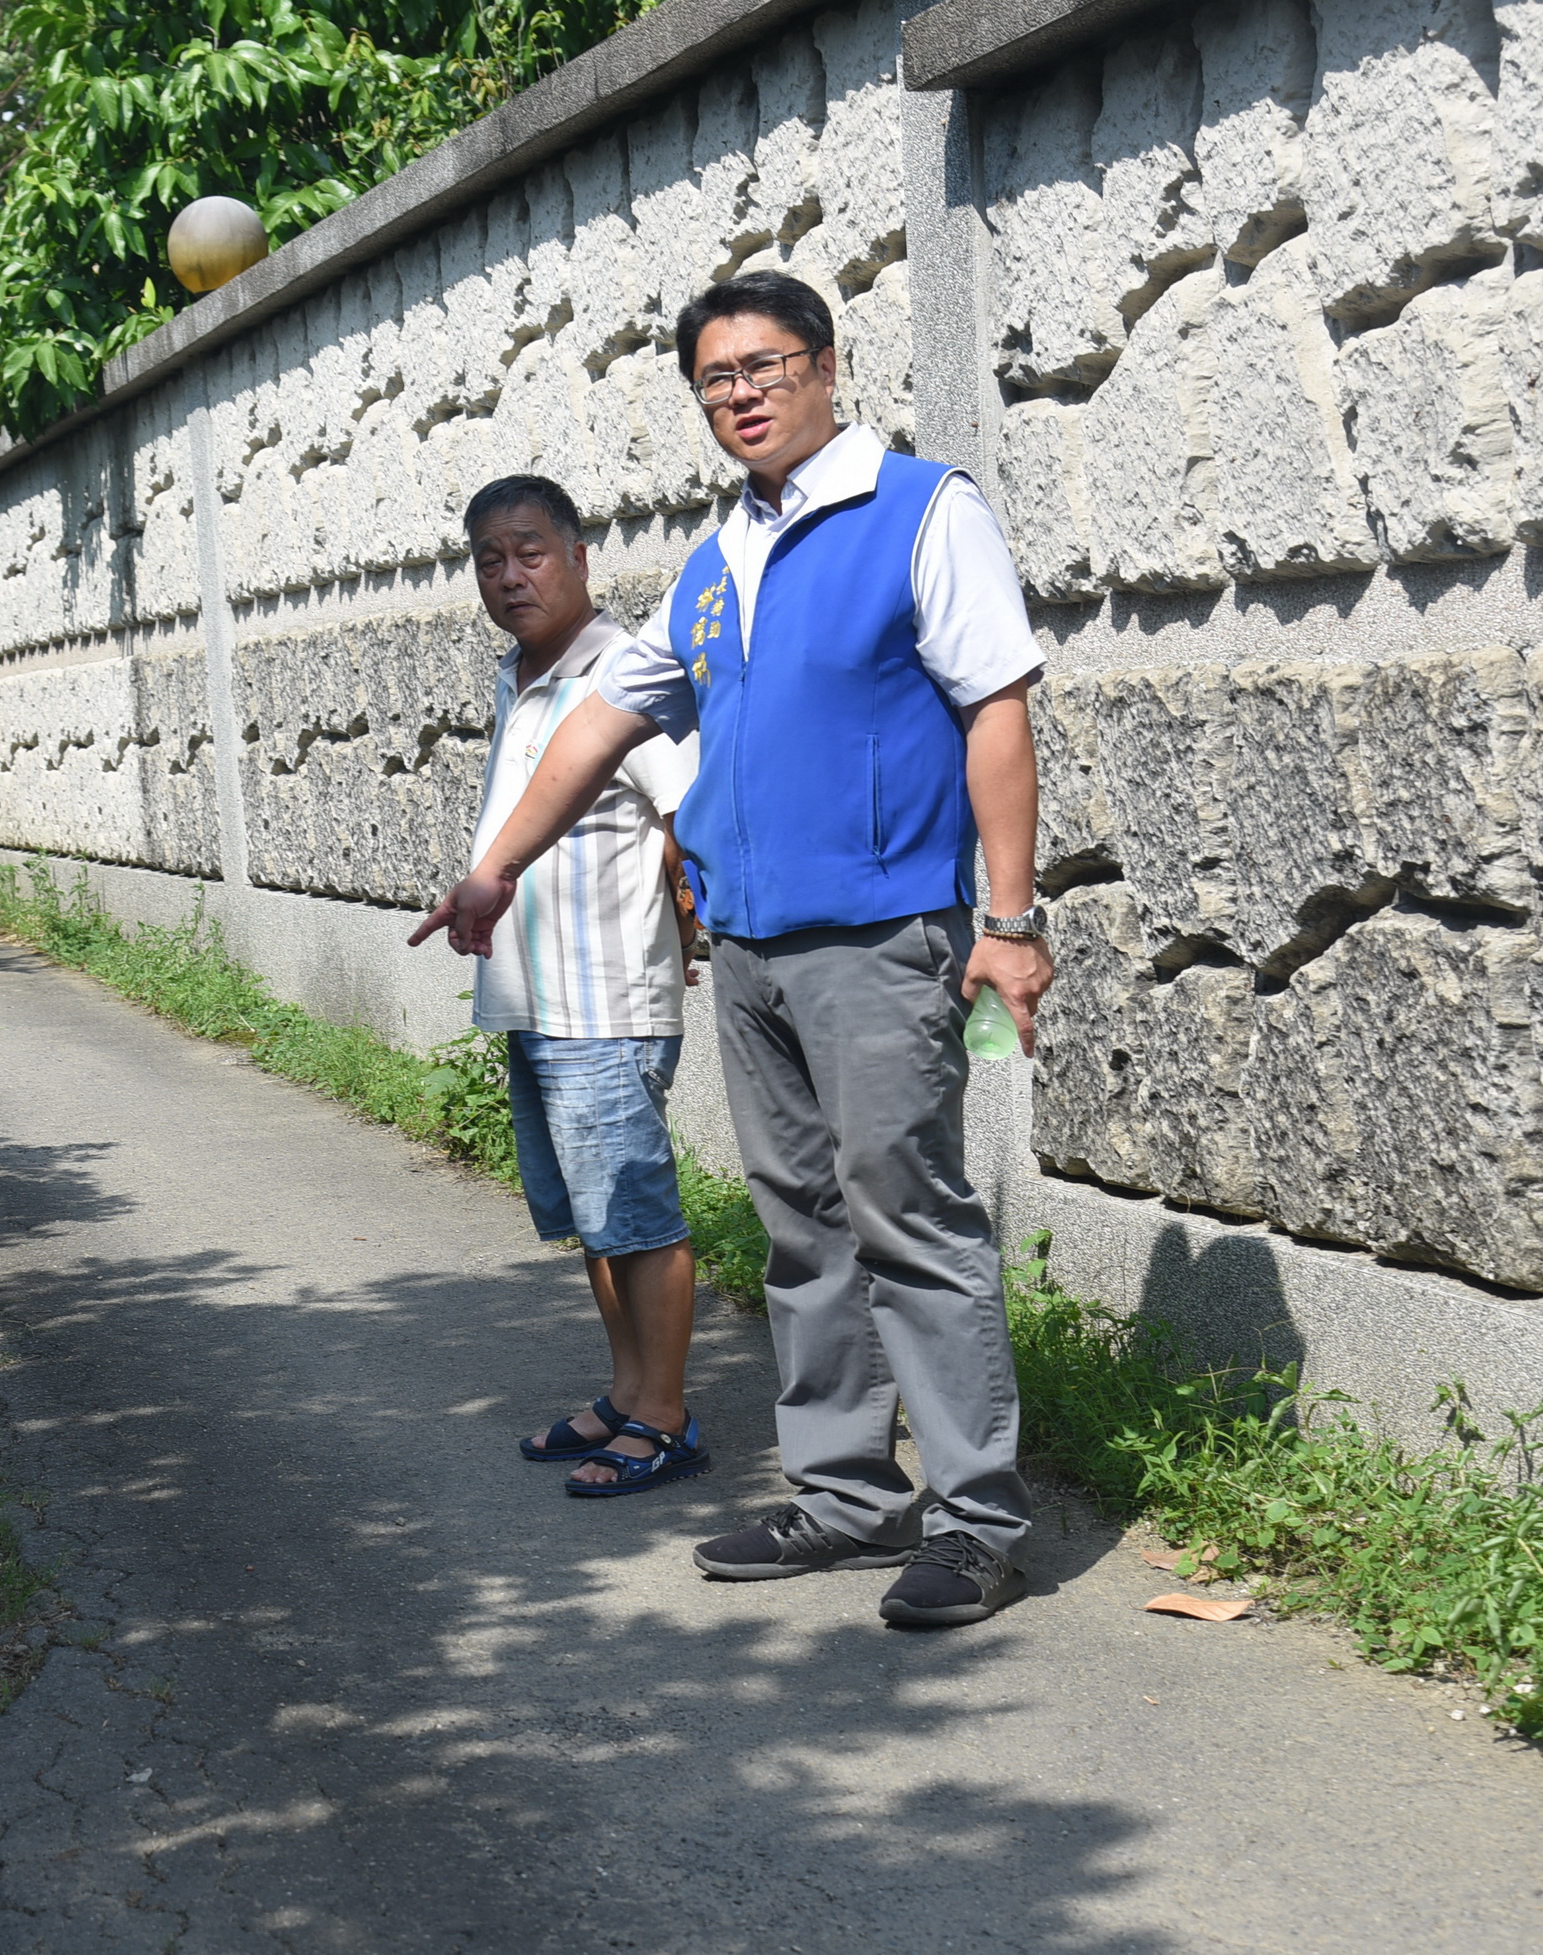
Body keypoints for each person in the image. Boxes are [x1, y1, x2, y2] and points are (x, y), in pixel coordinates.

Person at [412, 270, 1054, 1628]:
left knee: (910, 1218)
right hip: (752, 944)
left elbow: (996, 706)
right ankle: (844, 1494)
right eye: (716, 379)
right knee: (803, 1229)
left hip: (883, 932)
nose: (742, 394)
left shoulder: (918, 509)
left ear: (825, 366)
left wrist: (1007, 920)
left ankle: (974, 1516)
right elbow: (602, 721)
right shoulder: (718, 559)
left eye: (764, 366)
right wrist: (494, 867)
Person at [448, 474, 708, 1497]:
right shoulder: (520, 675)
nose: (509, 577)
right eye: (488, 560)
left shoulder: (622, 674)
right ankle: (625, 1389)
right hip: (536, 1001)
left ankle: (665, 1414)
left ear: (579, 556)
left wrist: (685, 926)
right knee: (595, 1220)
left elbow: (685, 812)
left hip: (605, 1001)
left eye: (529, 552)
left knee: (637, 1217)